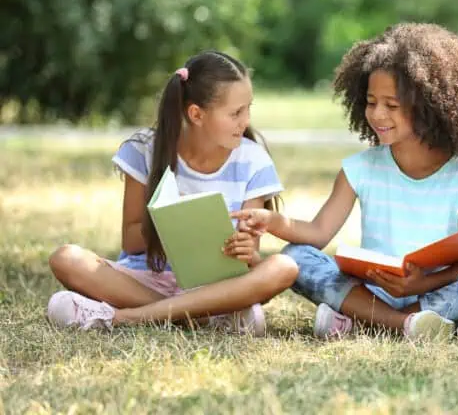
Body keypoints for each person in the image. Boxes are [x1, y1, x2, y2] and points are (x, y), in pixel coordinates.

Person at [233, 23, 458, 340]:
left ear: (430, 108)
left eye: (392, 105)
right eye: (371, 102)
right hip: (370, 291)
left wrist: (419, 284)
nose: (378, 114)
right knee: (296, 256)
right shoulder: (361, 168)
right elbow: (317, 233)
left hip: (433, 293)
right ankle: (404, 326)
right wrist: (271, 221)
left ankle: (365, 323)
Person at [46, 51, 298, 333]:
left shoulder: (254, 160)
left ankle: (123, 317)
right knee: (66, 258)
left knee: (284, 267)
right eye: (235, 113)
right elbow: (130, 240)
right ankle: (201, 318)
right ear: (196, 114)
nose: (245, 120)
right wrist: (175, 230)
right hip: (146, 277)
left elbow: (249, 256)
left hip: (216, 286)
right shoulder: (144, 149)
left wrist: (249, 253)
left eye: (248, 108)